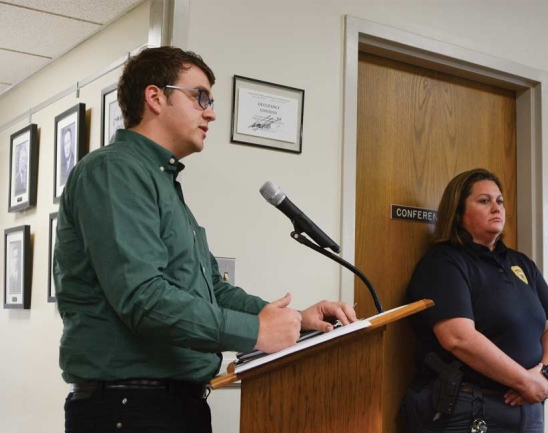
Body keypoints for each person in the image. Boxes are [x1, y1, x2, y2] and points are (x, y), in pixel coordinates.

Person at [54, 46, 357, 433]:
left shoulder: (162, 183)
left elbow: (213, 290)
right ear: (155, 97)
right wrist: (256, 332)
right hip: (129, 410)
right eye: (200, 97)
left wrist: (296, 321)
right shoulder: (114, 171)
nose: (211, 112)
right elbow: (143, 298)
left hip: (173, 406)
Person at [403, 168, 548, 433]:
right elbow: (458, 338)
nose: (496, 208)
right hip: (469, 407)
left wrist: (546, 375)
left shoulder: (521, 263)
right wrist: (524, 381)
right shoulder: (444, 262)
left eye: (499, 201)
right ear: (458, 213)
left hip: (528, 407)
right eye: (484, 201)